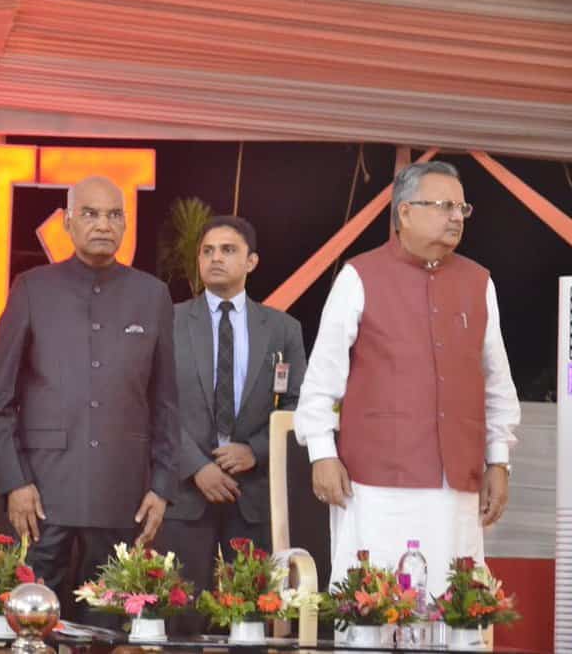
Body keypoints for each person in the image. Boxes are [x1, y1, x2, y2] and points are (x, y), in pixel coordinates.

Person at [294, 161, 520, 596]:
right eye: (444, 206)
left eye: (461, 208)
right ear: (405, 212)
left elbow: (497, 384)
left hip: (456, 486)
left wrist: (498, 461)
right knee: (374, 605)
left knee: (452, 605)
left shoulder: (479, 283)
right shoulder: (359, 277)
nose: (456, 217)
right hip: (375, 486)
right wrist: (321, 453)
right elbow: (322, 380)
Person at [0, 175, 178, 623]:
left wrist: (162, 486)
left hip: (122, 488)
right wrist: (15, 482)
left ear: (126, 224)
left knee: (108, 622)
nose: (103, 225)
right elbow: (1, 398)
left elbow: (166, 400)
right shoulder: (33, 288)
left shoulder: (152, 295)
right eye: (90, 214)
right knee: (34, 619)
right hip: (42, 490)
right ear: (68, 223)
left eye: (113, 215)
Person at [154, 215, 306, 633]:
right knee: (180, 618)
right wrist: (196, 465)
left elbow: (297, 405)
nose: (215, 258)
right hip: (185, 494)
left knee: (250, 619)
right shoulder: (168, 321)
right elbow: (154, 401)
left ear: (251, 261)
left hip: (251, 495)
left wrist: (254, 450)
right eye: (207, 251)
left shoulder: (282, 329)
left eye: (228, 250)